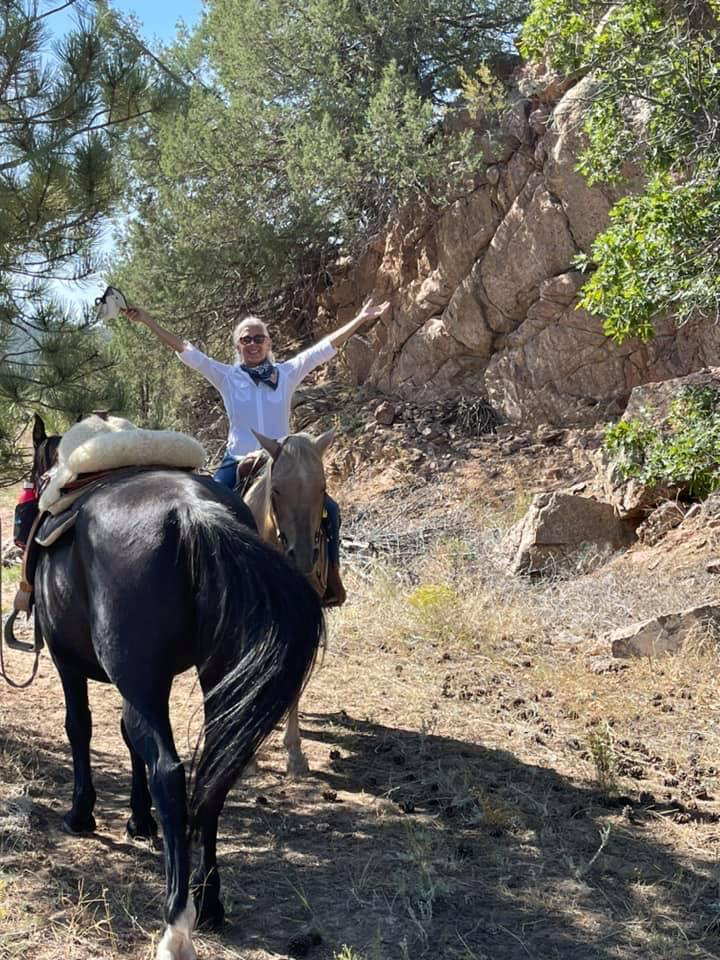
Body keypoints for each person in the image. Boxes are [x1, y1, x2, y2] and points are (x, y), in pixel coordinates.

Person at [123, 299, 388, 604]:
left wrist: (360, 318)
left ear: (268, 343)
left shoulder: (287, 373)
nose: (252, 343)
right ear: (238, 347)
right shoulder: (226, 376)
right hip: (239, 460)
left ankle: (332, 577)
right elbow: (185, 349)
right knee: (204, 511)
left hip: (281, 462)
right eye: (245, 339)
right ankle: (203, 586)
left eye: (258, 338)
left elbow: (324, 348)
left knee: (331, 509)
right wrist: (147, 321)